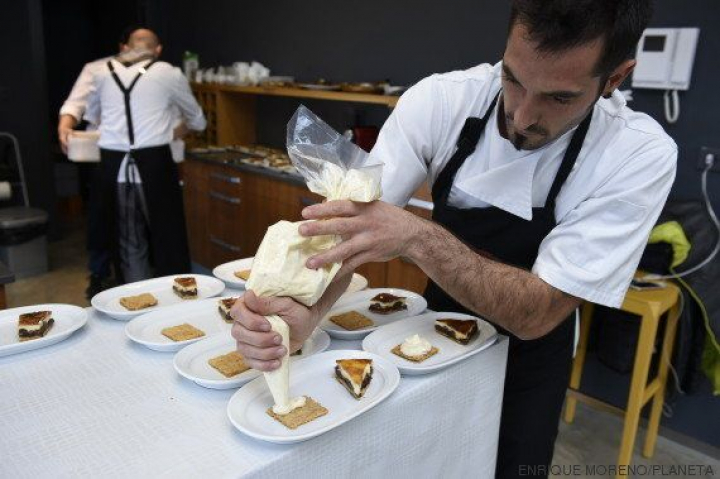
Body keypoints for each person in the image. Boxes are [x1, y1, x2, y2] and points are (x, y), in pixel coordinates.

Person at [231, 0, 677, 477]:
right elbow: (351, 224)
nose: (522, 116)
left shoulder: (635, 155)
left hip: (529, 359)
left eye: (559, 98)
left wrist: (418, 237)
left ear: (614, 78)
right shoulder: (442, 101)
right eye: (513, 79)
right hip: (428, 334)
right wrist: (308, 309)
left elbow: (538, 312)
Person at [85, 27, 205, 283]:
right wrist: (170, 132)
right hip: (155, 164)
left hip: (114, 166)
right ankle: (177, 295)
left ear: (125, 47)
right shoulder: (168, 73)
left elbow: (93, 117)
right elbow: (198, 120)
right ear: (158, 50)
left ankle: (134, 296)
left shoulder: (101, 73)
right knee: (168, 237)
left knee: (127, 240)